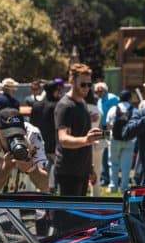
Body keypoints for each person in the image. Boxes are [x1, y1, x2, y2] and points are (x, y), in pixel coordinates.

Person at [0, 108, 49, 194]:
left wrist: (31, 168)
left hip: (25, 199)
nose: (14, 141)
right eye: (8, 136)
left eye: (19, 135)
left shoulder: (32, 135)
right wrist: (5, 170)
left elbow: (45, 186)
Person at [54, 63, 102, 196]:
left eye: (89, 85)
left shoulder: (82, 103)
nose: (86, 88)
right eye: (83, 84)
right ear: (71, 81)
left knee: (80, 208)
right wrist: (86, 140)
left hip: (82, 170)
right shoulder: (65, 106)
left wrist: (90, 167)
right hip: (68, 171)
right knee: (68, 209)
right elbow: (63, 139)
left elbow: (81, 134)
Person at [30, 81, 61, 191]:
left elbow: (32, 125)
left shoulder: (36, 105)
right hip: (54, 144)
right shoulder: (57, 106)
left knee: (43, 171)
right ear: (54, 91)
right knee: (56, 173)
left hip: (40, 144)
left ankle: (43, 192)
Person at [106, 89, 135, 193]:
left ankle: (113, 186)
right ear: (130, 98)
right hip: (129, 140)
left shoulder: (113, 109)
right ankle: (124, 187)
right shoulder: (134, 110)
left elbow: (108, 124)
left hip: (115, 140)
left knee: (113, 164)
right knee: (126, 166)